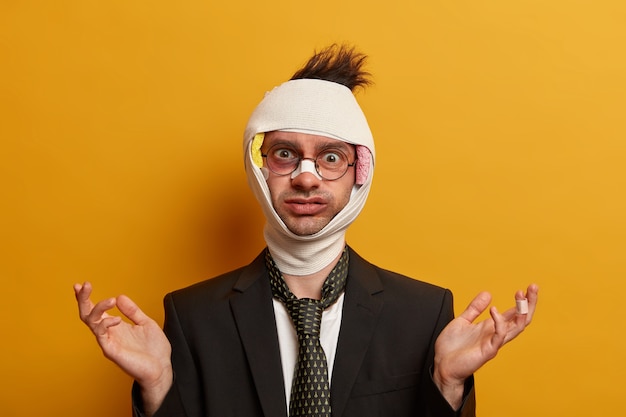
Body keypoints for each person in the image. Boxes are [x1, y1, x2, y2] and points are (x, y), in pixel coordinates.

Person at [74, 44, 539, 417]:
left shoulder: (423, 315)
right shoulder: (193, 318)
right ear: (259, 167)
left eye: (331, 157)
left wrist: (447, 386)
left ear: (361, 171)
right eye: (284, 154)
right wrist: (158, 390)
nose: (306, 176)